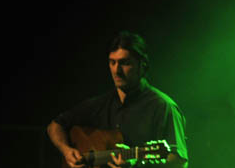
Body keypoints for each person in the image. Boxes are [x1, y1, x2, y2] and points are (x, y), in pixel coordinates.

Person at [47, 31, 189, 168]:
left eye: (124, 63)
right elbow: (55, 126)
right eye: (112, 62)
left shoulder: (163, 107)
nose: (116, 70)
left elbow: (180, 161)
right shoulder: (100, 104)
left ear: (142, 64)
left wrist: (136, 164)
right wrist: (67, 151)